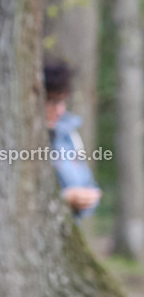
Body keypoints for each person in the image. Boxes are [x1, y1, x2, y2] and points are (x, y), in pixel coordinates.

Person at [43, 58, 102, 219]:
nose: (60, 110)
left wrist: (87, 200)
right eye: (52, 101)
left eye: (62, 101)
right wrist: (62, 200)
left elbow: (88, 185)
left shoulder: (69, 136)